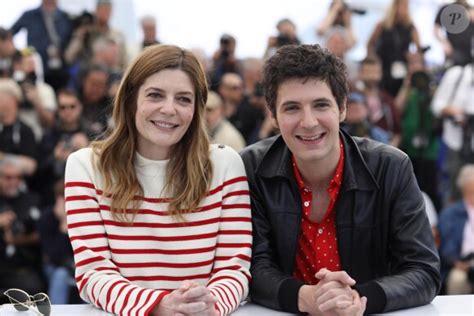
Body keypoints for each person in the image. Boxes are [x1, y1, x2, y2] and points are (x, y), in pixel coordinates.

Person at [240, 44, 440, 315]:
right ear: (273, 115)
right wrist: (308, 297)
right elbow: (252, 267)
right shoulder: (251, 167)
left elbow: (424, 271)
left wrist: (358, 298)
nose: (308, 122)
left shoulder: (391, 166)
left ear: (343, 108)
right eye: (292, 108)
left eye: (321, 105)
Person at [64, 44, 251, 315]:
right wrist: (159, 305)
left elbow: (234, 269)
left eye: (183, 99)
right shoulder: (86, 166)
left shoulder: (225, 164)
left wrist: (208, 306)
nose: (169, 109)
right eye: (155, 95)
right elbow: (93, 274)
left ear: (196, 109)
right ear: (130, 100)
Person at [438, 164, 474, 295]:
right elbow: (447, 247)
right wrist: (458, 263)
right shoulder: (450, 214)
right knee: (457, 280)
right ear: (464, 190)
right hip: (460, 264)